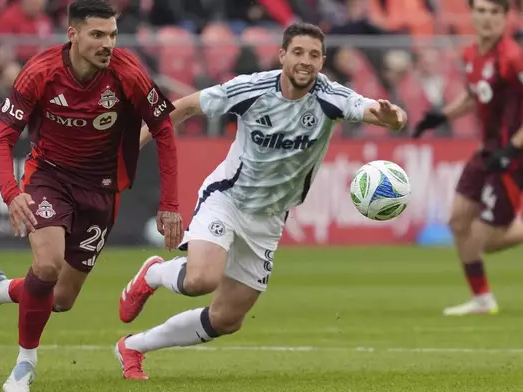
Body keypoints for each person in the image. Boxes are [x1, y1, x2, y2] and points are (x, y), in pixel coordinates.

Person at [114, 22, 407, 380]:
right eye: (298, 52)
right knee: (201, 279)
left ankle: (133, 347)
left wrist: (395, 119)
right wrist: (130, 151)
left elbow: (380, 112)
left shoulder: (331, 97)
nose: (305, 62)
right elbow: (184, 107)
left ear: (322, 60)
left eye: (314, 55)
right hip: (228, 198)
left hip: (268, 219)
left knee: (226, 319)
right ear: (283, 55)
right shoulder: (251, 88)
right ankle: (155, 273)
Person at [0, 1, 183, 390]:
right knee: (46, 267)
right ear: (73, 34)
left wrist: (170, 205)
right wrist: (11, 193)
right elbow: (3, 138)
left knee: (60, 299)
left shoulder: (127, 73)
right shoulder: (41, 72)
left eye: (112, 34)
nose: (107, 43)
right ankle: (24, 364)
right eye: (97, 34)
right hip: (50, 177)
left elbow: (163, 130)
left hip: (102, 189)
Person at [413, 0, 523, 316]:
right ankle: (482, 299)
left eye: (494, 12)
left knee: (487, 239)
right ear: (471, 14)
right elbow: (475, 96)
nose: (487, 18)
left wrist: (512, 149)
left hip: (513, 154)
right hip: (488, 149)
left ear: (506, 17)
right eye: (481, 11)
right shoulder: (471, 54)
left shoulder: (513, 57)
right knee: (459, 219)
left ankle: (483, 298)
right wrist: (440, 116)